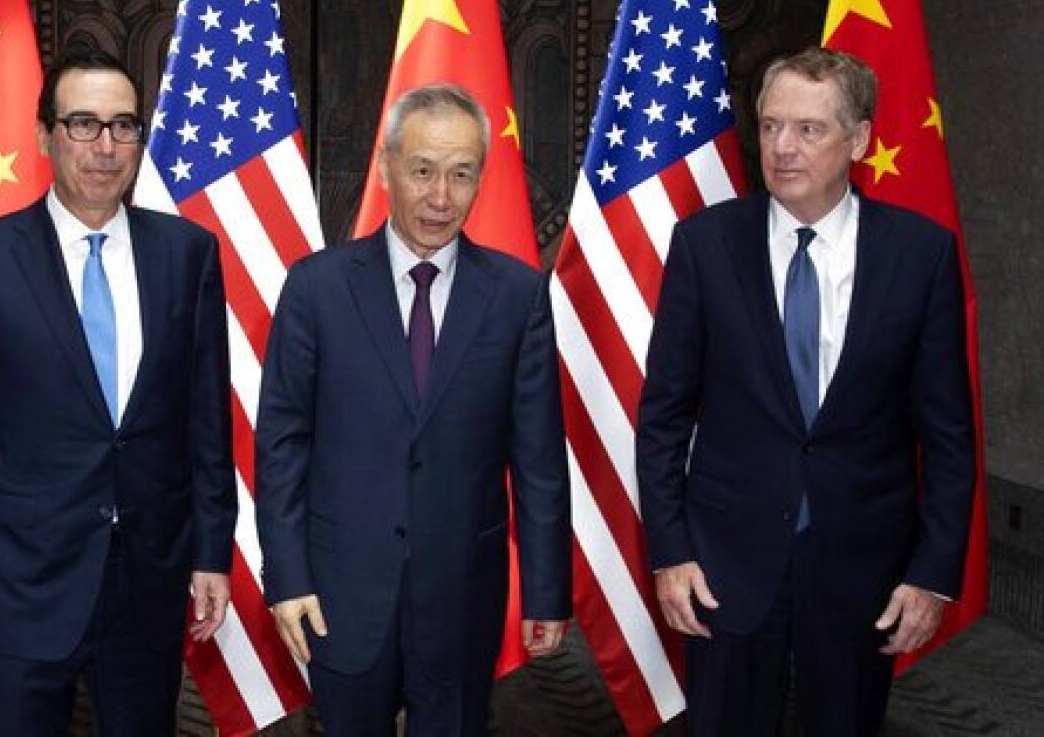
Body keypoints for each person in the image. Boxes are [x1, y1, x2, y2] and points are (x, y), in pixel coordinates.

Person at [636, 47, 975, 735]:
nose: (782, 147)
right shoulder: (705, 244)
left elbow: (947, 436)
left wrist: (933, 572)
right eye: (769, 126)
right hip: (725, 567)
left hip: (863, 571)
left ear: (859, 139)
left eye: (808, 129)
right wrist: (671, 551)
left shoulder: (921, 254)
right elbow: (664, 415)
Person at [0, 45, 237, 735]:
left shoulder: (189, 255)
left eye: (124, 125)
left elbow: (207, 424)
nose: (105, 146)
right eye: (84, 124)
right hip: (21, 588)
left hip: (148, 584)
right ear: (45, 135)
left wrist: (213, 552)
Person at [255, 84, 572, 735]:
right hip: (339, 593)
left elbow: (538, 455)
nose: (440, 196)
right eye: (423, 170)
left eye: (461, 174)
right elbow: (283, 443)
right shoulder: (316, 288)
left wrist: (546, 588)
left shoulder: (516, 295)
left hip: (462, 594)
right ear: (386, 165)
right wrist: (286, 575)